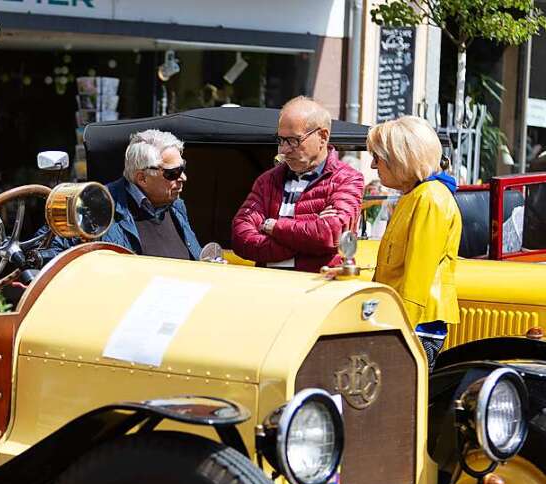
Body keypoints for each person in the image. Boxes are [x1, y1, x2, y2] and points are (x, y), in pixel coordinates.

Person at [231, 96, 364, 272]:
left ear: (323, 137)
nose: (283, 150)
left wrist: (273, 226)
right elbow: (240, 236)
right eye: (281, 140)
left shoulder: (347, 179)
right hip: (270, 287)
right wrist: (303, 244)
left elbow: (331, 234)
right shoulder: (267, 181)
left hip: (318, 288)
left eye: (293, 140)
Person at [368, 116, 460, 364]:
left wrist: (399, 329)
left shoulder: (430, 198)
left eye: (377, 158)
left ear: (400, 159)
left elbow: (418, 277)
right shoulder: (416, 195)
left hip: (415, 326)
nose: (372, 166)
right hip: (402, 320)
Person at [42, 129, 201, 260]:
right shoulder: (95, 206)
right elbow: (46, 252)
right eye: (173, 172)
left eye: (183, 168)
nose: (183, 178)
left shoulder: (177, 206)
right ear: (142, 178)